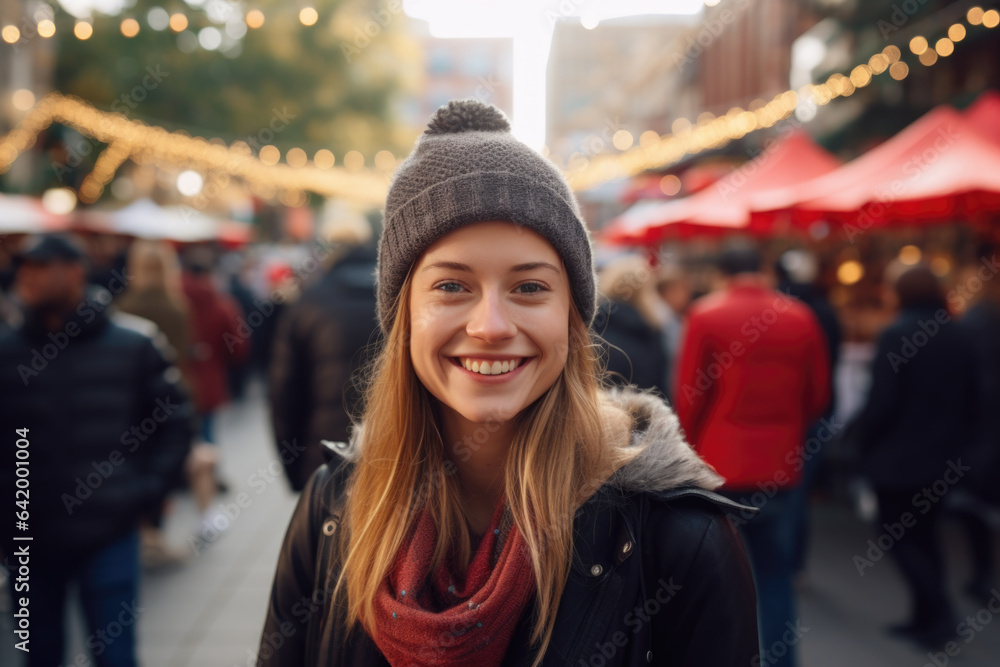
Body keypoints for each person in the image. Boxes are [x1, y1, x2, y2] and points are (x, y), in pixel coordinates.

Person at [256, 100, 760, 666]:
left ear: (572, 314)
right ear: (404, 314)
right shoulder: (332, 512)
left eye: (529, 288)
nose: (491, 326)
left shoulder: (679, 542)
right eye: (451, 286)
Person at [0, 233, 194, 667]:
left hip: (109, 531)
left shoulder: (133, 345)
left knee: (114, 653)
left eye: (39, 267)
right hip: (28, 535)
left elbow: (175, 421)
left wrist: (142, 494)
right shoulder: (7, 352)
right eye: (23, 267)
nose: (25, 277)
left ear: (74, 273)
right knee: (37, 652)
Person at [674, 239, 830, 667]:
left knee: (717, 581)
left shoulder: (706, 315)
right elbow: (818, 395)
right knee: (775, 576)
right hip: (780, 467)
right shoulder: (800, 317)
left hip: (719, 465)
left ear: (722, 273)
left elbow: (690, 395)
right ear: (762, 268)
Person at [845, 263, 977, 648]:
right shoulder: (959, 335)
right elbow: (974, 398)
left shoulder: (896, 334)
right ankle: (926, 616)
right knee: (926, 536)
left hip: (899, 459)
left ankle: (939, 612)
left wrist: (861, 444)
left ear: (900, 293)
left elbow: (882, 402)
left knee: (898, 535)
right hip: (944, 459)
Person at [268, 216, 380, 491]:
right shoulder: (397, 295)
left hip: (325, 459)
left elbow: (284, 394)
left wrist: (295, 469)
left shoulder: (309, 301)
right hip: (395, 450)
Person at [593, 254, 669, 398]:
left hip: (601, 413)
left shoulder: (595, 326)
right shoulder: (653, 330)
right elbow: (661, 387)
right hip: (647, 415)